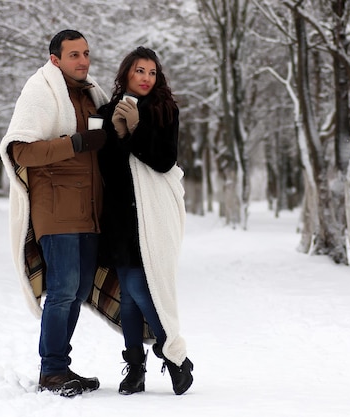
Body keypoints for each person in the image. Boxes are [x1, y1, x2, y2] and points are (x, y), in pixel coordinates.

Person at [0, 29, 109, 398]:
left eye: (87, 53)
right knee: (62, 291)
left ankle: (61, 366)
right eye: (74, 54)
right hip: (57, 208)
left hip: (91, 210)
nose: (83, 60)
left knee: (77, 292)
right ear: (55, 59)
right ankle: (51, 371)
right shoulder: (40, 91)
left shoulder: (92, 95)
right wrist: (75, 142)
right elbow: (21, 151)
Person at [97, 46, 194, 396]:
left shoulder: (165, 111)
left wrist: (137, 129)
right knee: (129, 295)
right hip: (120, 214)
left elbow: (164, 161)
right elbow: (105, 168)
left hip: (151, 213)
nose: (146, 78)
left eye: (152, 73)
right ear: (126, 74)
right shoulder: (107, 112)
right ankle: (136, 368)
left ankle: (174, 356)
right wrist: (119, 135)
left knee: (139, 287)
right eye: (140, 71)